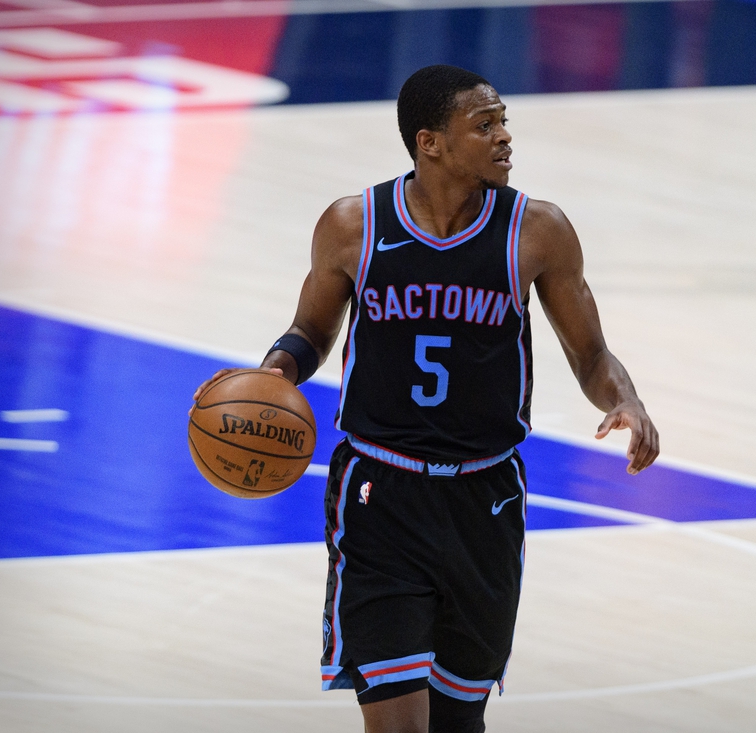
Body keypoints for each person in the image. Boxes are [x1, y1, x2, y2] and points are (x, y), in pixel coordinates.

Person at [193, 64, 658, 733]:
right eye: (485, 124)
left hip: (485, 497)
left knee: (458, 723)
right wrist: (274, 374)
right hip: (381, 493)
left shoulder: (538, 231)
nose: (504, 138)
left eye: (504, 122)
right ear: (430, 141)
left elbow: (590, 354)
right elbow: (311, 331)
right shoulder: (353, 224)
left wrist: (627, 400)